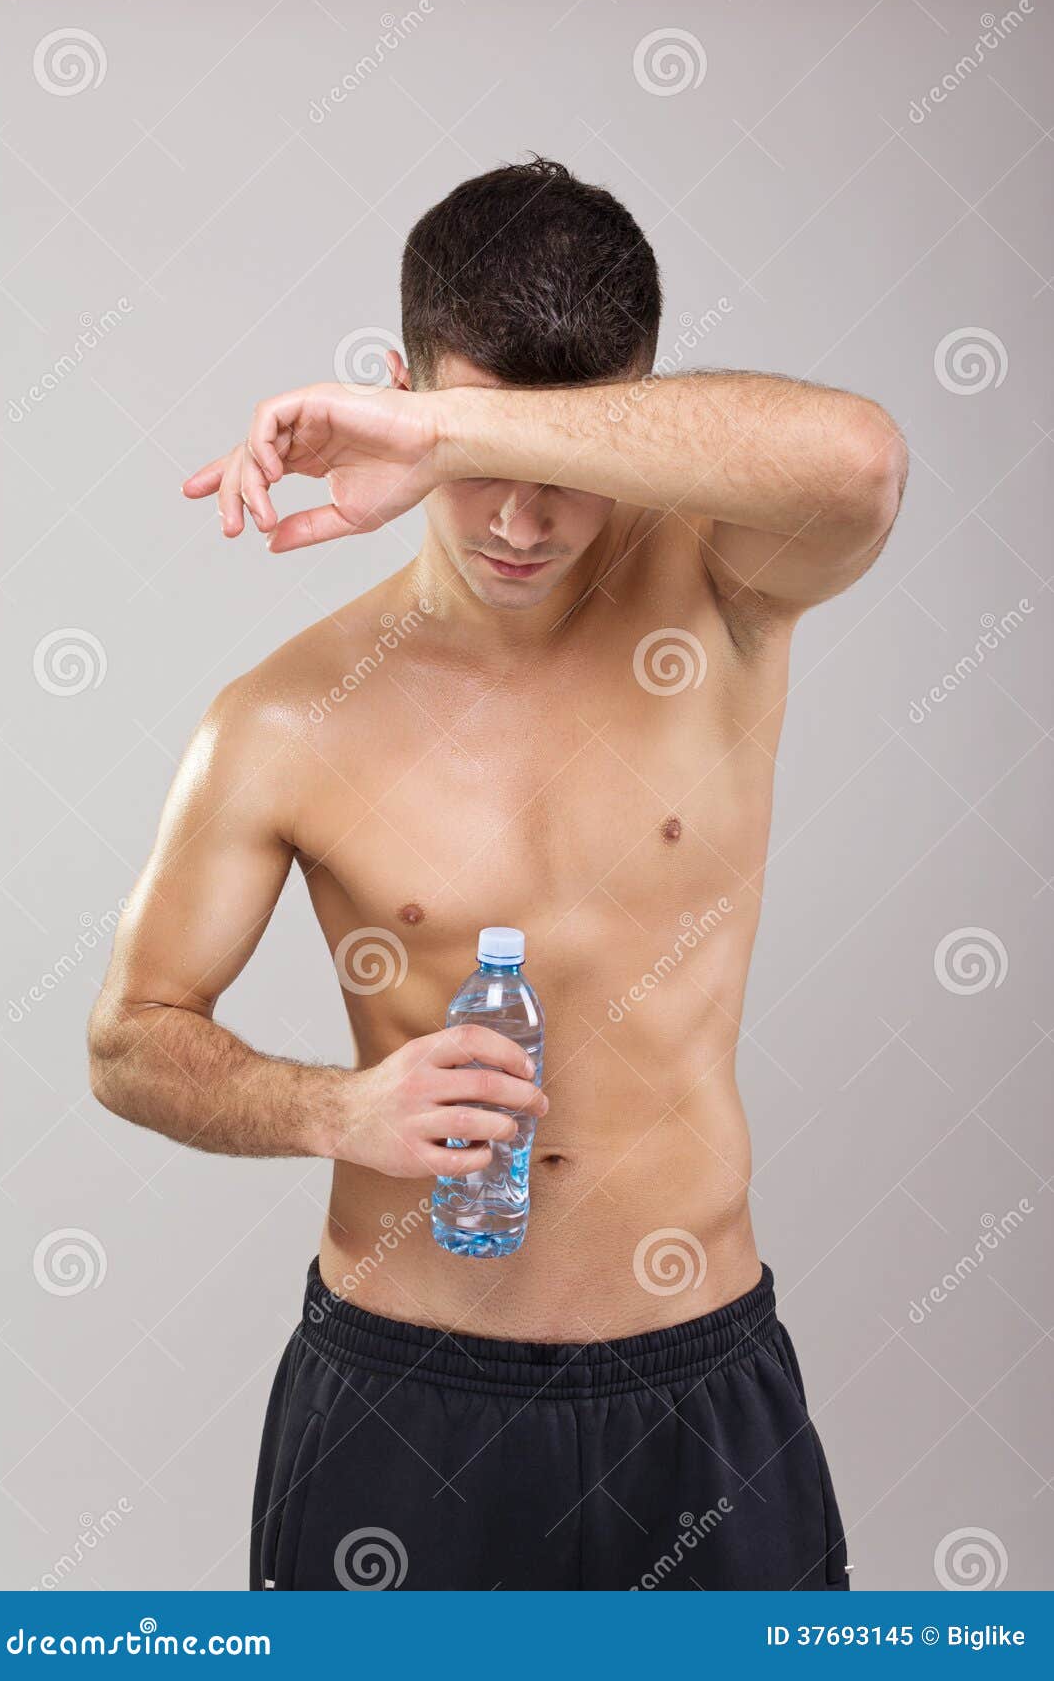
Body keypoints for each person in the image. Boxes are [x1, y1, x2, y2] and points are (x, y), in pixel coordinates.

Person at [88, 157, 906, 1591]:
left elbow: (861, 462)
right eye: (477, 472)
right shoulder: (282, 717)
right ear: (398, 382)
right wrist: (335, 1106)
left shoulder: (724, 593)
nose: (522, 523)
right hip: (406, 1396)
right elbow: (130, 1040)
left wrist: (463, 431)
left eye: (565, 466)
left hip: (696, 1390)